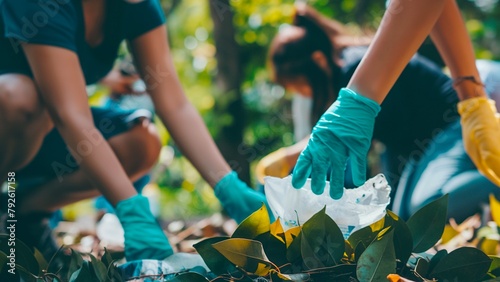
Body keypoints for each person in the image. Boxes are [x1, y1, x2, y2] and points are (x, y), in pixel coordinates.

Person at [0, 0, 271, 262]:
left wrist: (229, 186)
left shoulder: (135, 5)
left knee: (142, 144)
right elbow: (69, 113)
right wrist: (132, 209)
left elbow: (174, 104)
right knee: (19, 97)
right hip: (16, 123)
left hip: (47, 136)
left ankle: (22, 212)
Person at [258, 6, 499, 221]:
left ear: (318, 61)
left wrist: (290, 157)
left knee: (426, 210)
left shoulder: (356, 66)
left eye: (300, 86)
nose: (304, 94)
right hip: (427, 145)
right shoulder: (354, 72)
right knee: (404, 219)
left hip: (452, 127)